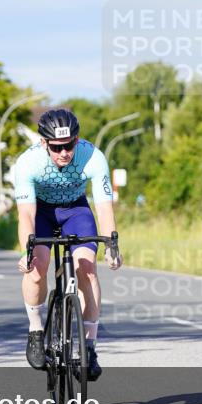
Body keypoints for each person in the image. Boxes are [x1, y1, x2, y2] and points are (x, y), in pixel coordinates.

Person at [13, 108, 122, 381]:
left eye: (69, 145)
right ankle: (36, 331)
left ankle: (90, 346)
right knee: (36, 267)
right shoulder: (28, 163)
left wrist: (111, 245)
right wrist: (26, 250)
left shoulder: (93, 156)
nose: (64, 153)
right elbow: (26, 215)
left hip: (76, 211)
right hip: (41, 212)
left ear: (77, 139)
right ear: (43, 143)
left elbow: (104, 207)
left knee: (87, 269)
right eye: (56, 147)